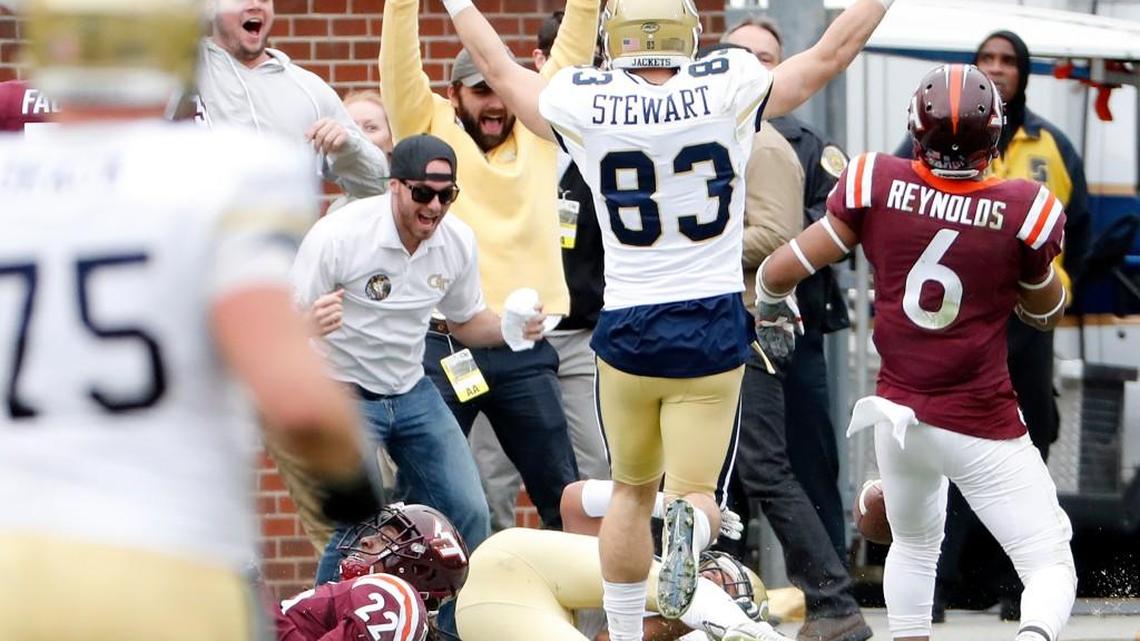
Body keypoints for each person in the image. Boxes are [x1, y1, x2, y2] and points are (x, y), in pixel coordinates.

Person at [439, 0, 892, 635]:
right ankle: (693, 526)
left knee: (628, 490)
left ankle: (625, 631)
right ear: (688, 31)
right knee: (696, 493)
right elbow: (829, 56)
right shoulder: (727, 82)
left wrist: (459, 4)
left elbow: (497, 66)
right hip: (711, 320)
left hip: (626, 324)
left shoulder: (583, 98)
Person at [0, 0, 382, 637]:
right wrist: (350, 482)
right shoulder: (226, 172)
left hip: (18, 566)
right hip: (169, 560)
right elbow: (300, 403)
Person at [757, 63, 1077, 641]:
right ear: (995, 135)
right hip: (980, 419)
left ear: (916, 126)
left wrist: (772, 301)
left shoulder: (874, 183)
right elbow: (1044, 309)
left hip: (899, 414)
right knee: (1049, 558)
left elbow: (782, 270)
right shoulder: (1024, 209)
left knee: (913, 544)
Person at [290, 135, 546, 639]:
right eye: (422, 193)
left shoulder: (456, 242)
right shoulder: (340, 235)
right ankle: (316, 630)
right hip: (342, 389)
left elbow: (467, 321)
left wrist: (515, 329)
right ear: (394, 188)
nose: (434, 206)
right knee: (356, 524)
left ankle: (444, 632)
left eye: (445, 195)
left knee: (467, 512)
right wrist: (309, 324)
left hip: (410, 390)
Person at [892, 31, 1092, 621]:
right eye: (987, 60)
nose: (998, 69)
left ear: (1024, 74)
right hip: (953, 320)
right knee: (944, 446)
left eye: (1008, 61)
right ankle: (939, 584)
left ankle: (1018, 584)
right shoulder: (922, 140)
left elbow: (1075, 231)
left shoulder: (1050, 145)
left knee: (1031, 439)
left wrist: (1055, 295)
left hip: (1026, 323)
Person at [380, 0, 598, 531]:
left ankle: (589, 615)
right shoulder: (428, 125)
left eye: (501, 88)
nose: (495, 102)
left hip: (524, 349)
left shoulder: (539, 128)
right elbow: (398, 65)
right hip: (443, 348)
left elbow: (571, 51)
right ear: (453, 95)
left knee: (563, 495)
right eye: (480, 91)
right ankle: (419, 612)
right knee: (425, 505)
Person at [716, 22, 872, 641]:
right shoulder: (715, 136)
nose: (749, 71)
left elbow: (795, 235)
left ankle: (832, 600)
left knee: (780, 464)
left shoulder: (784, 143)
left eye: (763, 61)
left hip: (772, 322)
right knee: (709, 471)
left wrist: (694, 256)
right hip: (715, 321)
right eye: (736, 60)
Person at [467, 9, 611, 532]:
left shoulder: (611, 144)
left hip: (580, 339)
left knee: (596, 474)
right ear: (538, 63)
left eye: (597, 62)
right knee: (491, 479)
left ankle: (597, 610)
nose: (587, 74)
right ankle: (493, 604)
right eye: (570, 61)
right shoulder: (505, 145)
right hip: (499, 336)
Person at [196, 0, 388, 199]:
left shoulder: (310, 89)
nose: (255, 5)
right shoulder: (182, 72)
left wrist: (348, 148)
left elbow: (378, 186)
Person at [455, 528, 789, 641]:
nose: (712, 577)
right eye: (716, 574)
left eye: (723, 585)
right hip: (513, 566)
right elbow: (574, 500)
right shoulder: (653, 576)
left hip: (501, 602)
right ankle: (747, 628)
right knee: (666, 583)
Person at [270, 503, 470, 641]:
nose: (366, 540)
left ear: (416, 570)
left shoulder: (391, 600)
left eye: (385, 539)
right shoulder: (386, 606)